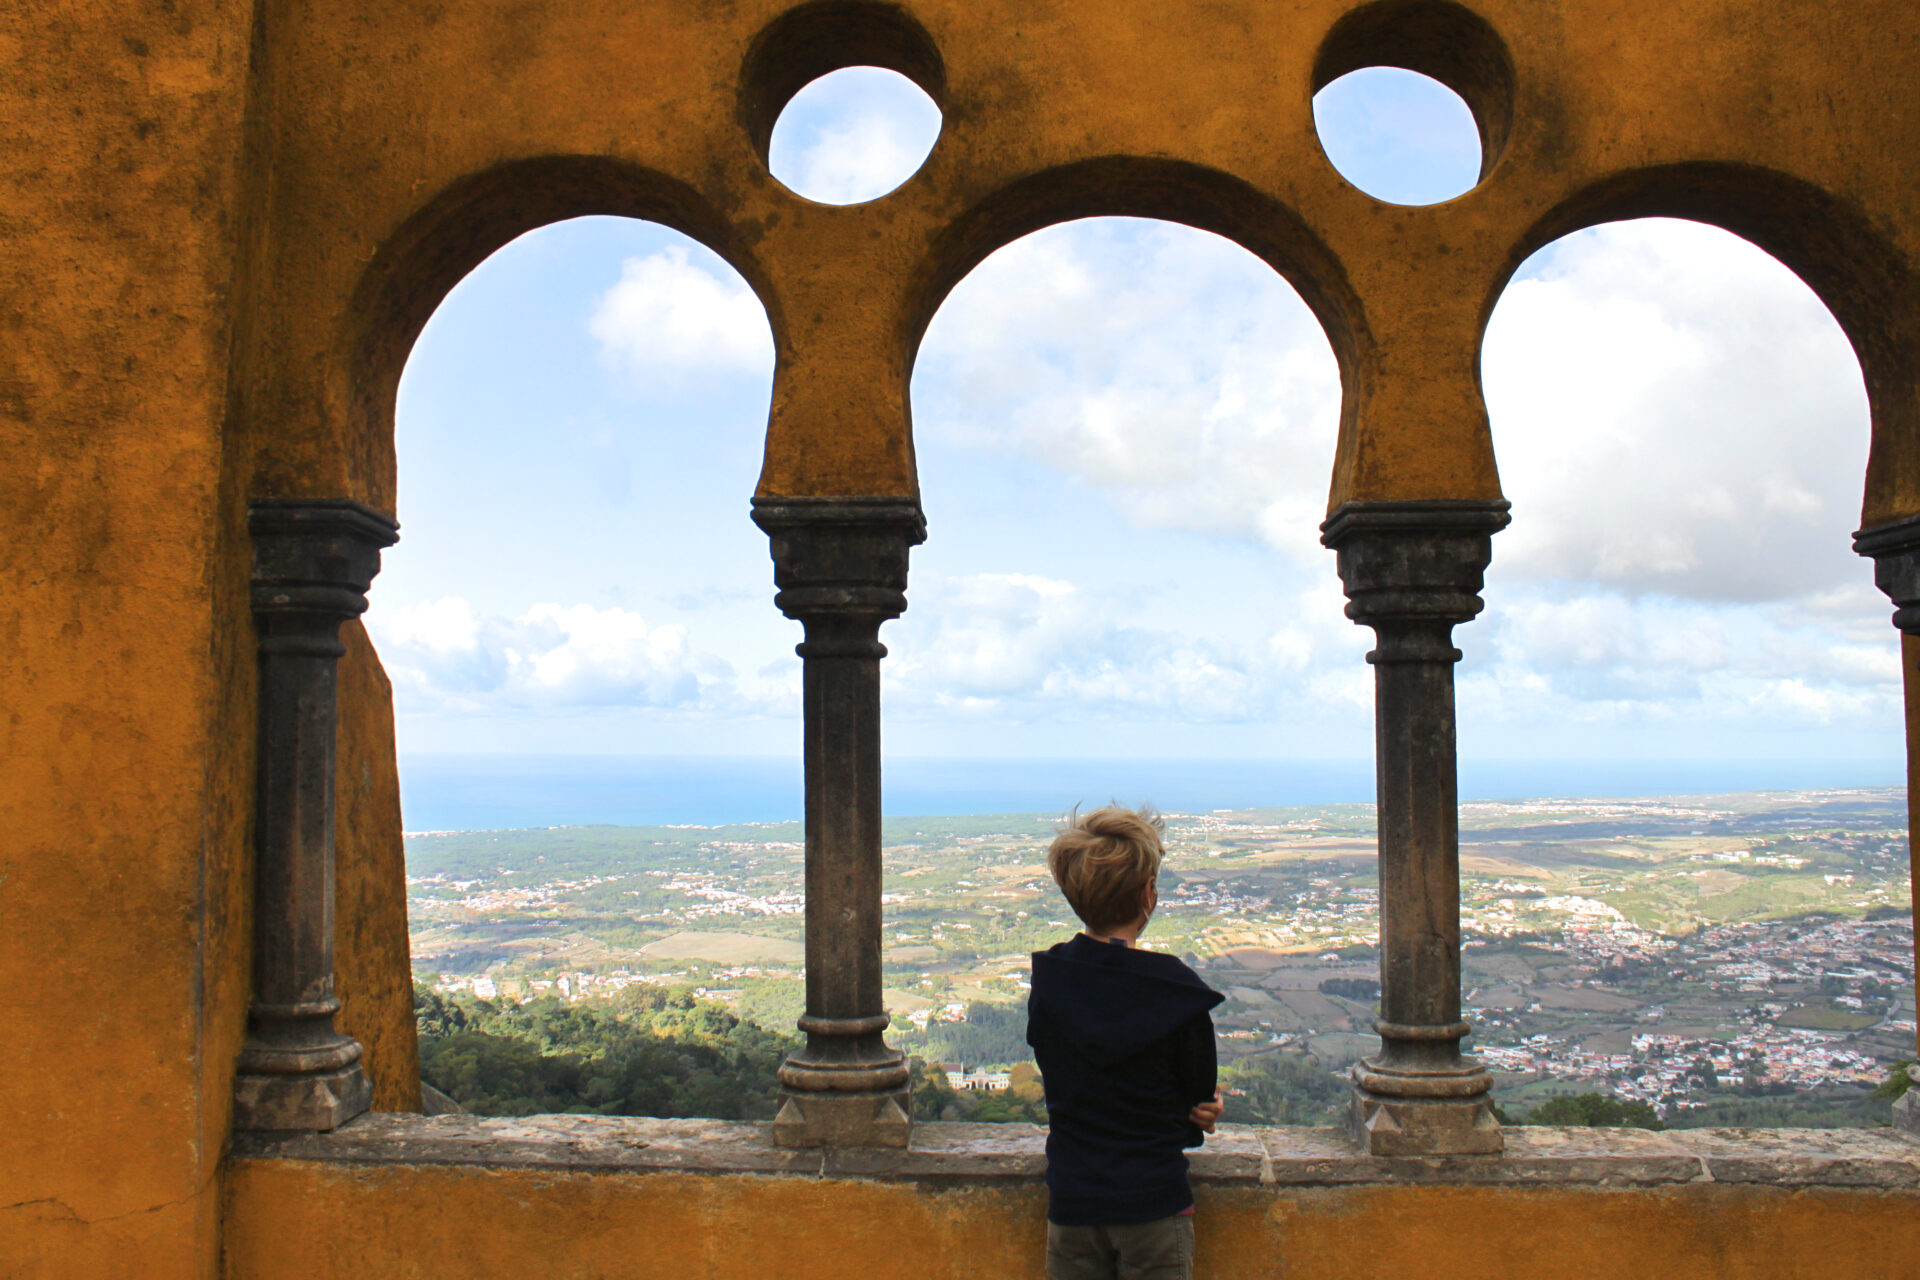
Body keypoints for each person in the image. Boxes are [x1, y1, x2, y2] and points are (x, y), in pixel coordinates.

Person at [1026, 804, 1225, 1280]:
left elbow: (1058, 1066)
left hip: (1073, 1201)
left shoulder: (1051, 981)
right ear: (1149, 895)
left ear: (1074, 895)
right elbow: (1195, 1099)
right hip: (1153, 1202)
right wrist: (1200, 1109)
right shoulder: (1175, 991)